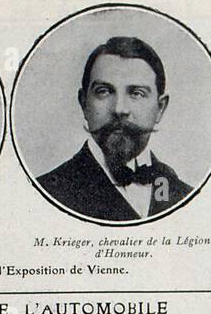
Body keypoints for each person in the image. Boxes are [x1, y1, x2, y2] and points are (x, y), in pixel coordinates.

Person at [35, 36, 192, 222]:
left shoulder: (182, 193)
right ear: (84, 103)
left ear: (160, 108)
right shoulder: (46, 192)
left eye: (136, 93)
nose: (119, 109)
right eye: (104, 91)